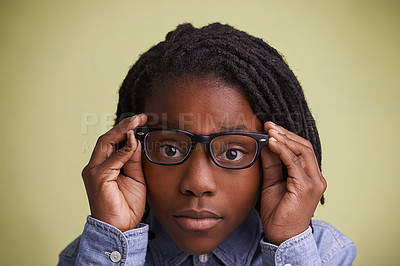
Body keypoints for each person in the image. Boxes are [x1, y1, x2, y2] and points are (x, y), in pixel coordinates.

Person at [58, 23, 356, 265]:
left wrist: (288, 241)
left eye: (233, 152)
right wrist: (115, 232)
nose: (198, 183)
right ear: (130, 150)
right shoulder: (95, 254)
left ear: (276, 158)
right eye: (170, 148)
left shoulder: (325, 253)